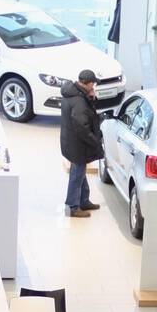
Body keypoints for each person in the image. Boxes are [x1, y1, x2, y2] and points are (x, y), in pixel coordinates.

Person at [59, 70, 104, 219]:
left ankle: (83, 201)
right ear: (89, 83)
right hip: (77, 144)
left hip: (70, 141)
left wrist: (91, 98)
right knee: (77, 175)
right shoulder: (79, 101)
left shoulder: (73, 93)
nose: (94, 86)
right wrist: (94, 140)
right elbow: (82, 126)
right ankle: (72, 206)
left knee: (80, 172)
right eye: (93, 83)